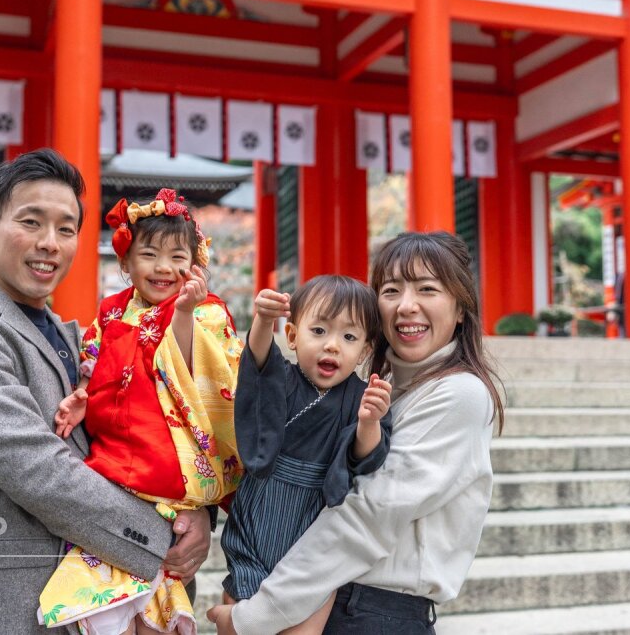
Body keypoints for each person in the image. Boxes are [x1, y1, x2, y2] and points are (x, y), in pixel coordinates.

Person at [0, 150, 212, 635]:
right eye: (31, 222)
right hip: (22, 609)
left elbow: (168, 424)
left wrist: (194, 515)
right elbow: (39, 471)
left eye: (67, 229)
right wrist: (164, 534)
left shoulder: (86, 340)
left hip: (129, 599)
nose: (50, 243)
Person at [208, 231, 504, 634]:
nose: (406, 306)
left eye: (427, 289)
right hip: (315, 593)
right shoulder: (378, 388)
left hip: (370, 613)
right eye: (391, 290)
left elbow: (369, 516)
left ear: (460, 310)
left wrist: (253, 618)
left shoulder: (459, 393)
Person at [38, 188, 243, 635]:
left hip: (169, 471)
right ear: (126, 263)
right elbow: (91, 359)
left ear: (196, 262)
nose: (164, 268)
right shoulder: (113, 312)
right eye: (148, 254)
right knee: (114, 598)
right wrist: (82, 393)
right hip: (113, 469)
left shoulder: (208, 312)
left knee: (162, 588)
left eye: (177, 256)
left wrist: (184, 315)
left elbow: (206, 378)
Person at [219, 275, 393, 635]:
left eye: (349, 337)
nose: (332, 346)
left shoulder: (361, 397)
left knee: (304, 624)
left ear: (363, 351)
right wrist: (264, 320)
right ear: (294, 337)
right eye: (319, 331)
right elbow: (258, 359)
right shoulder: (280, 377)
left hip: (312, 531)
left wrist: (369, 423)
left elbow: (364, 457)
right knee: (238, 616)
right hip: (260, 514)